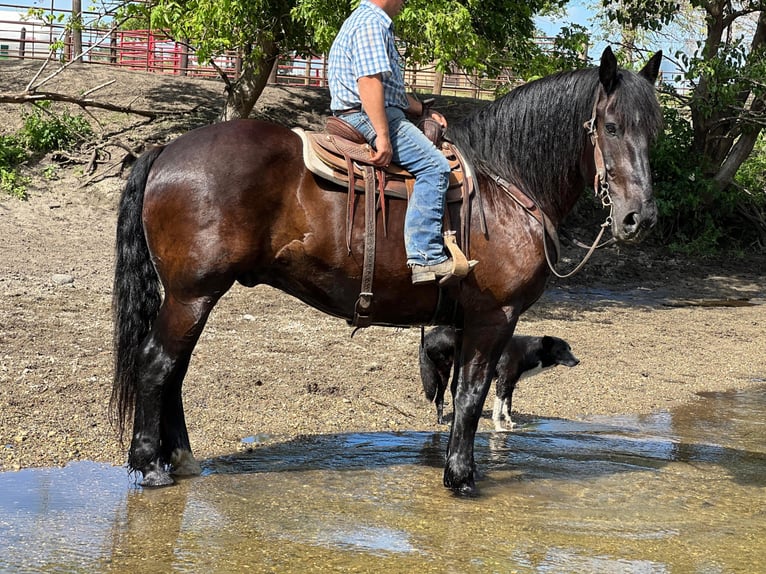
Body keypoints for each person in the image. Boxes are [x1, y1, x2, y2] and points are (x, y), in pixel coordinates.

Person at [327, 0, 477, 285]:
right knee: (434, 167)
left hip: (374, 110)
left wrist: (422, 110)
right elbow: (369, 82)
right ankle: (426, 257)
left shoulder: (368, 21)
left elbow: (390, 90)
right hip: (368, 115)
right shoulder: (372, 23)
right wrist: (383, 135)